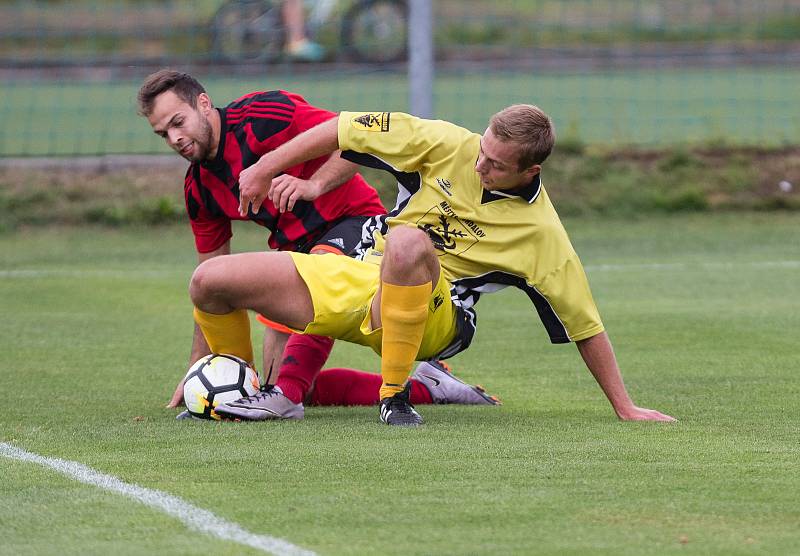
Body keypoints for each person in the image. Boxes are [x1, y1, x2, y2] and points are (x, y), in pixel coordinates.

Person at [188, 104, 676, 426]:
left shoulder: (542, 236)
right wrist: (263, 168)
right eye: (482, 151)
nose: (480, 166)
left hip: (440, 317)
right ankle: (240, 392)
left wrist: (625, 407)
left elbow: (586, 326)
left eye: (496, 164)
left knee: (406, 243)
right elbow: (343, 127)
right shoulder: (446, 143)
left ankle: (395, 398)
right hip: (365, 275)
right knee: (209, 282)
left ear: (532, 171)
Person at [136, 69, 498, 416]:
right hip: (298, 254)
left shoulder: (264, 114)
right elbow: (209, 282)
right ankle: (431, 387)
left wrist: (314, 185)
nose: (174, 139)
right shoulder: (198, 188)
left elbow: (357, 138)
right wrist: (197, 370)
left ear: (202, 103)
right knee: (290, 382)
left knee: (289, 381)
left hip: (357, 227)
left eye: (177, 123)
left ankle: (283, 401)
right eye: (162, 133)